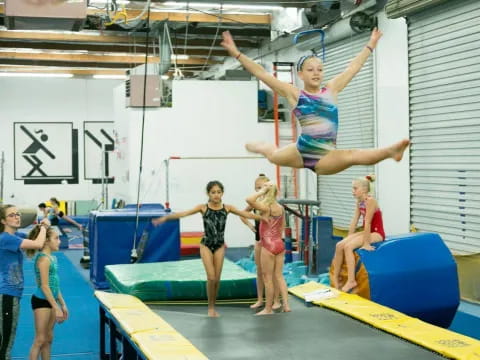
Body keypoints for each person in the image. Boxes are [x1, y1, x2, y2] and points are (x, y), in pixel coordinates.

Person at [220, 29, 410, 175]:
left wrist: (371, 44)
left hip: (324, 156)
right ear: (300, 74)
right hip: (300, 150)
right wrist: (237, 54)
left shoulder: (332, 89)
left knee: (352, 156)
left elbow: (353, 68)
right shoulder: (295, 94)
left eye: (319, 69)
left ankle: (391, 151)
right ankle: (257, 146)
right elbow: (261, 73)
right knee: (272, 156)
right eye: (310, 70)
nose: (316, 73)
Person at [152, 181, 261, 317]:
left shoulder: (227, 208)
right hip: (206, 244)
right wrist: (165, 218)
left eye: (219, 192)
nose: (216, 195)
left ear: (222, 193)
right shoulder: (203, 208)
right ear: (208, 193)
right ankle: (210, 308)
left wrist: (265, 217)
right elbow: (183, 214)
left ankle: (213, 305)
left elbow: (247, 215)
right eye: (213, 192)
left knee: (217, 279)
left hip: (219, 245)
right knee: (211, 277)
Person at [0, 204, 49, 360]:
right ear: (2, 220)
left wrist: (41, 224)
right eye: (12, 215)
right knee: (6, 342)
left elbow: (32, 239)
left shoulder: (16, 236)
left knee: (7, 338)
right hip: (6, 295)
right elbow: (37, 244)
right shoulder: (6, 238)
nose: (17, 217)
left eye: (18, 214)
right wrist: (44, 228)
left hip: (12, 294)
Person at [331, 175, 385, 293]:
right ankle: (335, 277)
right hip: (368, 231)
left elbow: (368, 223)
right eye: (352, 188)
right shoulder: (359, 203)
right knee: (340, 245)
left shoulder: (370, 201)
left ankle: (351, 280)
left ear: (364, 190)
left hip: (377, 233)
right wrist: (349, 236)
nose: (353, 191)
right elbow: (354, 221)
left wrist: (366, 243)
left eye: (355, 189)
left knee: (348, 247)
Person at [246, 181, 290, 315]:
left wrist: (261, 191)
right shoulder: (281, 208)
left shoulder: (265, 207)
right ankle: (286, 305)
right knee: (279, 276)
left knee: (267, 278)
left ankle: (268, 309)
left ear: (267, 192)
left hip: (268, 245)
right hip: (279, 244)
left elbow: (249, 199)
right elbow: (282, 226)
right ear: (277, 193)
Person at [27, 224, 68, 360]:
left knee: (48, 338)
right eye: (56, 238)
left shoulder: (53, 258)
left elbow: (55, 284)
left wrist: (62, 304)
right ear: (46, 241)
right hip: (42, 301)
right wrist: (56, 307)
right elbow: (44, 286)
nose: (59, 241)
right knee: (40, 339)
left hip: (51, 300)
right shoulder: (43, 259)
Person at [240, 174, 281, 310]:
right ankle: (260, 299)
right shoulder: (257, 204)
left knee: (273, 273)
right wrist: (251, 227)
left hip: (271, 243)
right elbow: (243, 214)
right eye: (257, 188)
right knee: (260, 271)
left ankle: (276, 300)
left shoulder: (270, 205)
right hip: (260, 240)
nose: (260, 191)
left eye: (262, 188)